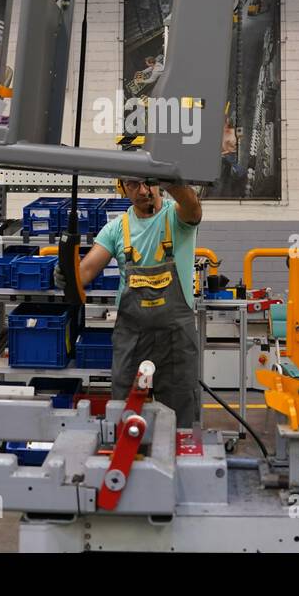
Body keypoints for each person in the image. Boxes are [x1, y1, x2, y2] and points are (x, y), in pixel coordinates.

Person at [70, 178, 203, 426]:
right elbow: (85, 272)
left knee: (180, 412)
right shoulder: (116, 229)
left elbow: (193, 207)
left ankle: (178, 461)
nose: (143, 191)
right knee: (124, 410)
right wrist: (66, 274)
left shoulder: (176, 218)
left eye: (149, 183)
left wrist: (169, 177)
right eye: (133, 184)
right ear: (122, 188)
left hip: (176, 338)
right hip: (132, 336)